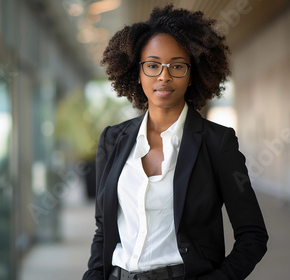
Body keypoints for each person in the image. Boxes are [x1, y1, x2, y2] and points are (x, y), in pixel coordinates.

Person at [83, 4, 268, 280]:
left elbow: (252, 235)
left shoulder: (217, 143)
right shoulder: (112, 140)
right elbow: (103, 228)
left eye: (177, 66)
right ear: (138, 71)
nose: (164, 76)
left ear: (192, 73)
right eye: (153, 65)